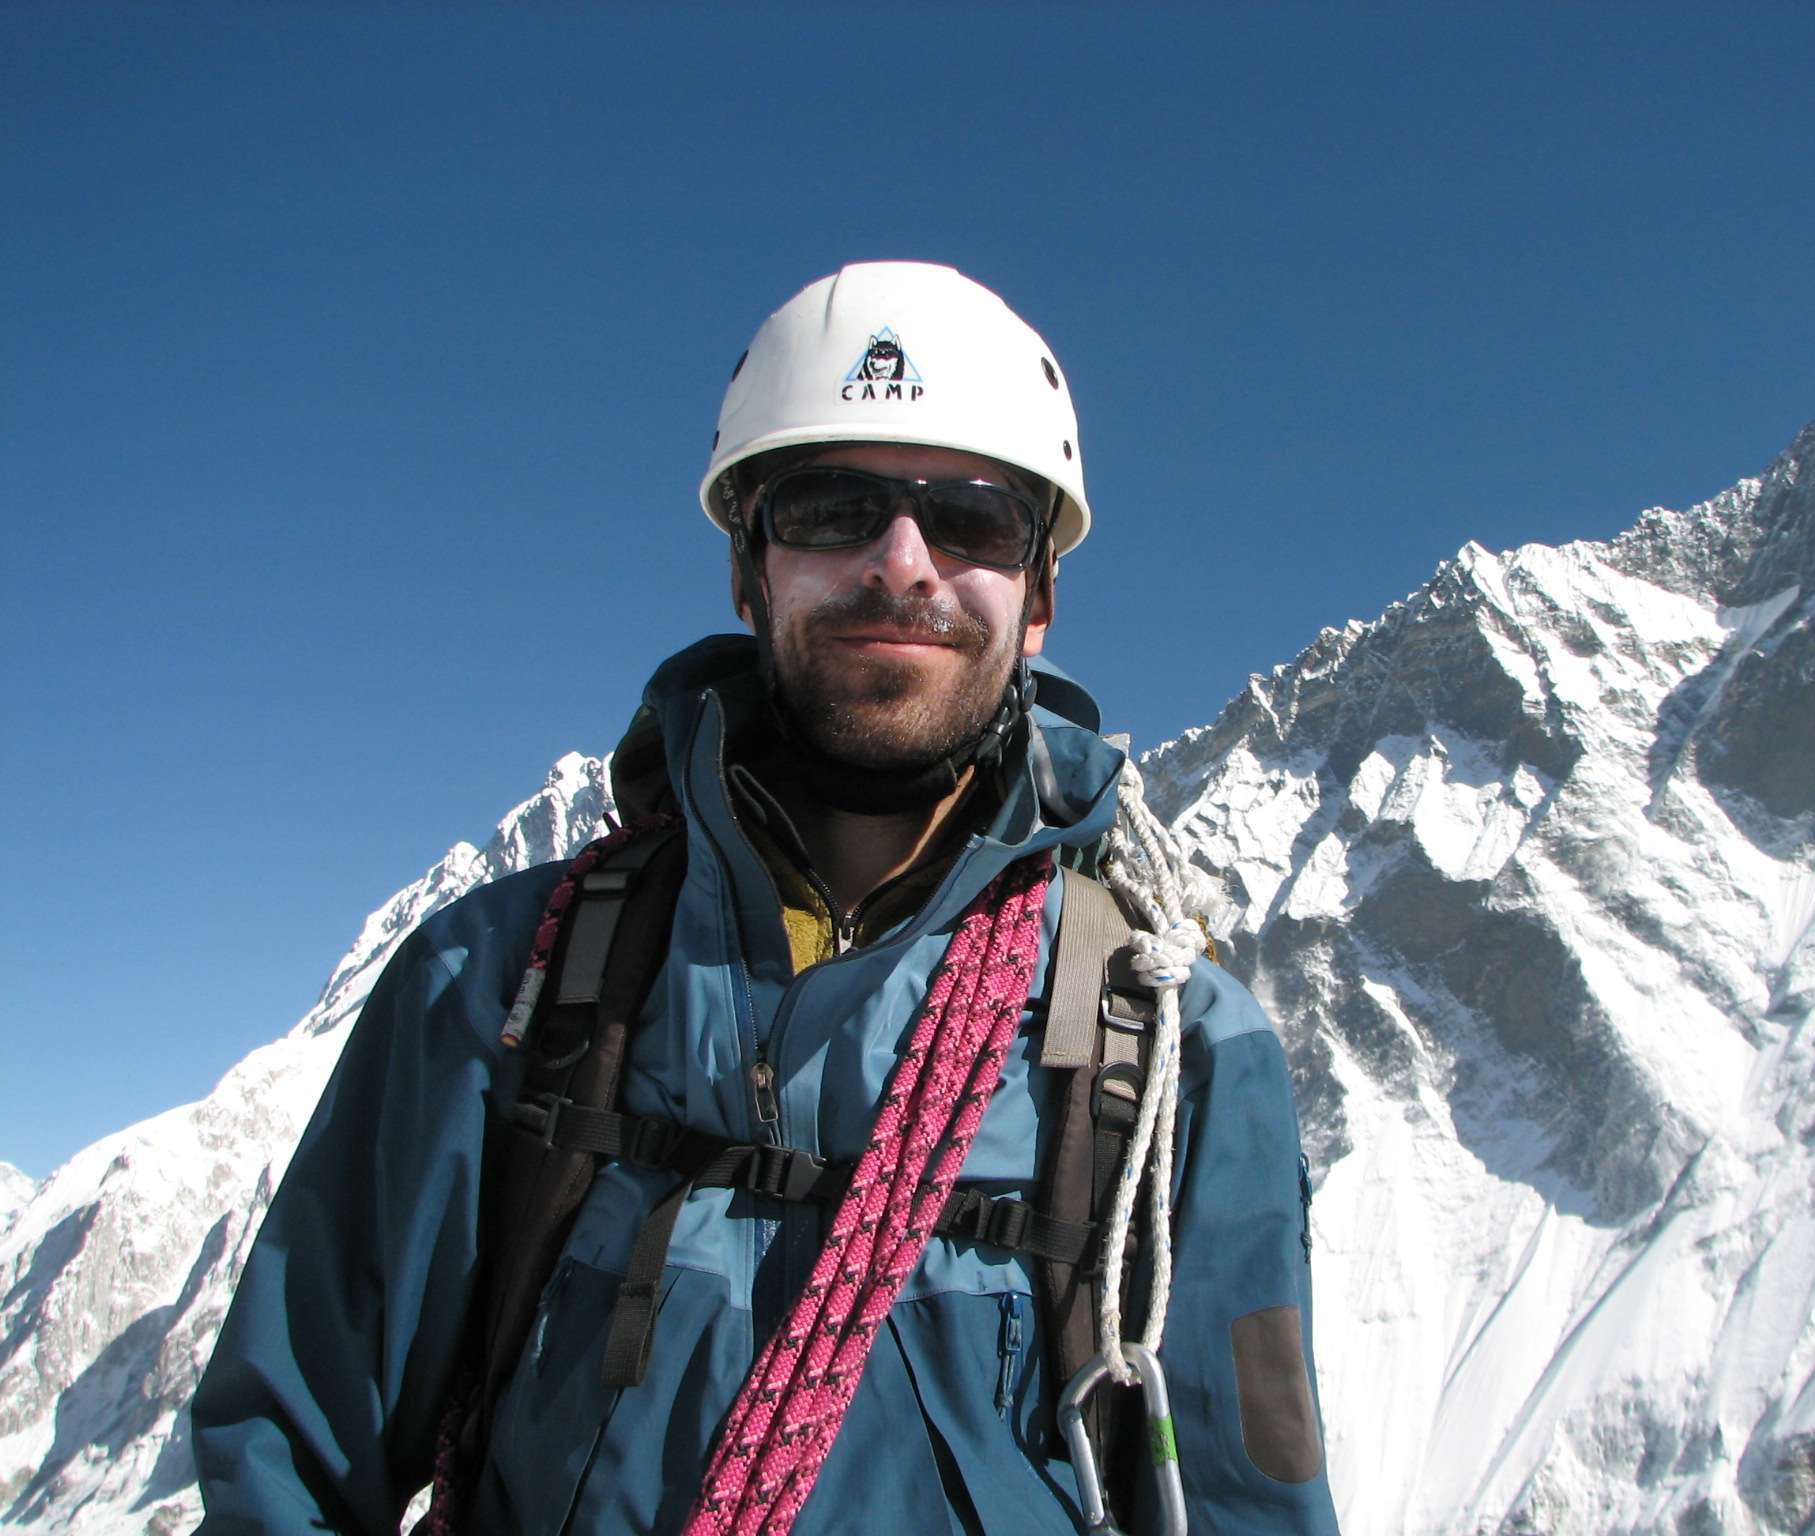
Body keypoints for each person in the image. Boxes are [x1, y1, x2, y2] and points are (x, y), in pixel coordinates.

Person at [191, 261, 1340, 1535]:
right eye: (832, 506)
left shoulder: (1178, 1048)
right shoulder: (500, 978)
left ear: (1038, 599)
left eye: (970, 521)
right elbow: (289, 1463)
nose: (902, 563)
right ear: (749, 569)